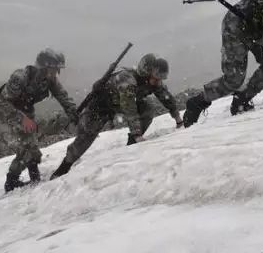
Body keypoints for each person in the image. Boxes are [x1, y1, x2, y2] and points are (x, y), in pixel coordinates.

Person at [50, 54, 181, 179]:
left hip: (116, 105)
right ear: (147, 71)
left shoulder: (153, 81)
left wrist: (178, 118)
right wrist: (137, 133)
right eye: (156, 77)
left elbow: (165, 97)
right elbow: (129, 107)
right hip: (99, 107)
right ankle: (63, 168)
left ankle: (133, 143)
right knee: (85, 139)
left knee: (148, 108)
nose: (158, 81)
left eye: (160, 78)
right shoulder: (127, 79)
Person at [0, 48, 78, 192]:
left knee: (29, 144)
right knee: (28, 144)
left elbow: (62, 96)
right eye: (54, 69)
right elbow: (2, 102)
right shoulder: (20, 77)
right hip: (9, 110)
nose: (56, 73)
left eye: (57, 70)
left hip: (26, 110)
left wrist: (74, 112)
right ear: (44, 67)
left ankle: (19, 179)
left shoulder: (49, 80)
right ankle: (21, 181)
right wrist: (21, 118)